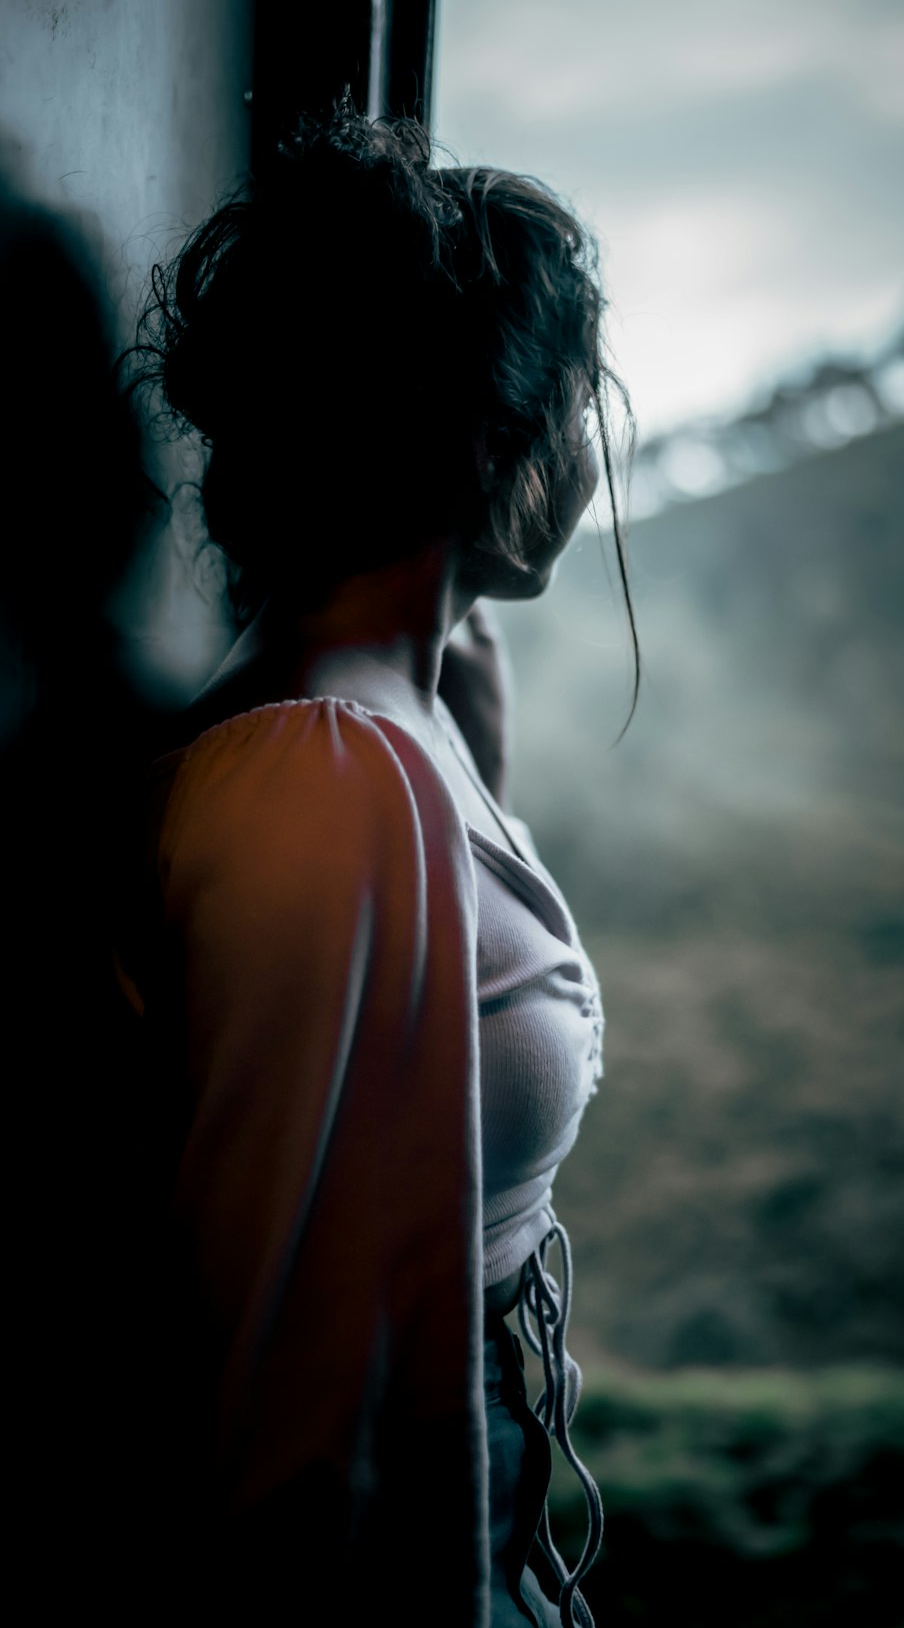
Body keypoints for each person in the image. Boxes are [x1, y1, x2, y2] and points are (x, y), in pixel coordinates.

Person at [115, 99, 638, 1625]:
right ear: (495, 438)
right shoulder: (319, 783)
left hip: (496, 1534)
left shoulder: (414, 722)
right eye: (579, 409)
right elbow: (287, 1437)